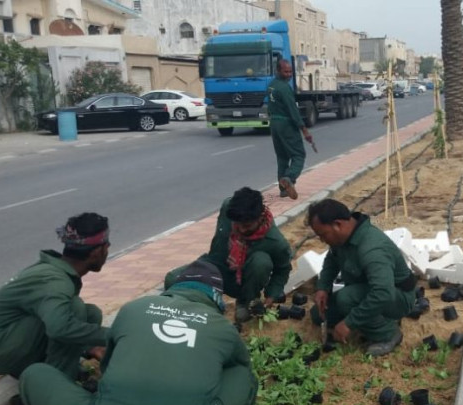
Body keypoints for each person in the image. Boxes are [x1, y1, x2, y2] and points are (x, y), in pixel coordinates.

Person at [20, 259, 257, 405]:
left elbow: (108, 366)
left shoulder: (133, 309)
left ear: (174, 288)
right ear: (216, 298)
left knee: (34, 375)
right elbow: (241, 372)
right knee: (241, 373)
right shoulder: (222, 327)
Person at [0, 213, 110, 380]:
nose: (108, 249)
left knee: (91, 313)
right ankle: (56, 384)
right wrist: (118, 334)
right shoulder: (54, 281)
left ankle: (47, 368)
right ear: (96, 252)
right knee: (73, 310)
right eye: (106, 245)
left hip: (10, 339)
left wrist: (91, 346)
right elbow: (60, 328)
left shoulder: (57, 271)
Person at [165, 187, 292, 324]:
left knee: (261, 262)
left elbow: (282, 270)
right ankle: (183, 311)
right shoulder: (228, 208)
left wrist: (271, 295)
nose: (241, 230)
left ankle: (244, 303)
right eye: (237, 224)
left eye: (247, 225)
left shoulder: (275, 241)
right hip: (212, 267)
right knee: (172, 279)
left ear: (260, 217)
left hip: (242, 283)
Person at [307, 199, 415, 357]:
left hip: (397, 296)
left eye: (323, 235)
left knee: (345, 299)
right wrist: (323, 287)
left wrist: (349, 323)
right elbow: (332, 260)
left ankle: (388, 334)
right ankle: (376, 317)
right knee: (319, 314)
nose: (323, 240)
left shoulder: (372, 249)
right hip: (367, 290)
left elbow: (382, 292)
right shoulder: (342, 238)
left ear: (338, 224)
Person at [267, 58, 314, 200]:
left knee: (282, 157)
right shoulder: (284, 88)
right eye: (285, 71)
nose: (288, 74)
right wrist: (304, 130)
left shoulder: (271, 85)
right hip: (286, 124)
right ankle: (289, 178)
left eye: (290, 71)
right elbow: (293, 111)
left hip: (274, 124)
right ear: (278, 70)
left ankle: (283, 190)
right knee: (299, 155)